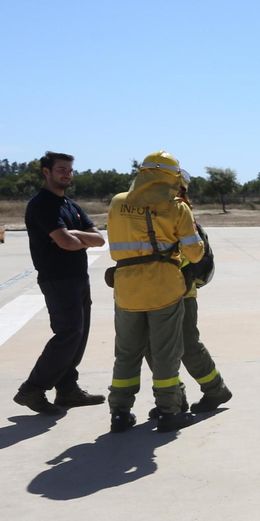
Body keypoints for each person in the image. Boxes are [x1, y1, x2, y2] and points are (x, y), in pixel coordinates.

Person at [106, 152, 204, 432]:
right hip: (164, 288)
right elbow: (195, 254)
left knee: (126, 354)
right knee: (165, 354)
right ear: (172, 178)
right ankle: (169, 411)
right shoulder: (177, 208)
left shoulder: (118, 201)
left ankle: (119, 413)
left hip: (126, 289)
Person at [15, 152, 106, 415]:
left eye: (70, 170)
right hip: (57, 279)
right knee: (68, 334)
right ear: (46, 172)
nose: (67, 174)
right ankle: (32, 389)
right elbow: (66, 243)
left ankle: (67, 390)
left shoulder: (71, 206)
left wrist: (73, 235)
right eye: (61, 169)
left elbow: (98, 239)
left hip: (79, 277)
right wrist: (74, 239)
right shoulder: (42, 204)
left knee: (79, 334)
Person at [143, 182, 231, 415]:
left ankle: (215, 389)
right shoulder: (144, 218)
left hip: (182, 293)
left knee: (187, 345)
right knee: (152, 348)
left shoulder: (183, 218)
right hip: (151, 293)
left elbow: (196, 256)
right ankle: (174, 398)